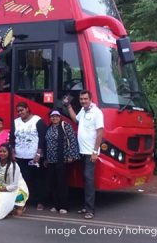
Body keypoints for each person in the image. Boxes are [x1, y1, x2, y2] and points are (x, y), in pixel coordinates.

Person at [64, 90, 104, 219]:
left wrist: (94, 152)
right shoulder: (83, 110)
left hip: (89, 153)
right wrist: (68, 106)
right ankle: (86, 206)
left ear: (90, 99)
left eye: (85, 99)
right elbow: (76, 119)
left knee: (88, 180)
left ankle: (90, 210)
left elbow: (100, 133)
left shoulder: (96, 112)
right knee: (84, 180)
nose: (83, 101)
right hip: (81, 151)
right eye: (81, 99)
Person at [10, 101, 47, 210]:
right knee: (23, 180)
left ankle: (40, 201)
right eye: (18, 111)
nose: (20, 113)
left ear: (27, 109)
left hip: (34, 157)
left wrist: (39, 153)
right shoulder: (15, 122)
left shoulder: (37, 120)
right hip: (20, 157)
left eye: (22, 110)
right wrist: (12, 153)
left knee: (38, 180)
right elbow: (12, 139)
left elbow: (42, 138)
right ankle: (23, 201)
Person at [44, 110, 80, 214]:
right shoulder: (49, 128)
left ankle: (64, 206)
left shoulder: (66, 126)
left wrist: (71, 155)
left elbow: (72, 140)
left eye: (56, 116)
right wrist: (46, 158)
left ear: (60, 117)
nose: (54, 118)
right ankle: (56, 205)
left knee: (62, 183)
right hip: (51, 160)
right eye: (52, 116)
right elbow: (47, 144)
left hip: (62, 160)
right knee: (53, 183)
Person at [0, 143, 28, 221]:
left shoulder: (13, 166)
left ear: (9, 153)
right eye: (0, 151)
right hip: (3, 186)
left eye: (4, 151)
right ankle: (3, 209)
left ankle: (15, 207)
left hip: (17, 190)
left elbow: (13, 186)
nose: (2, 153)